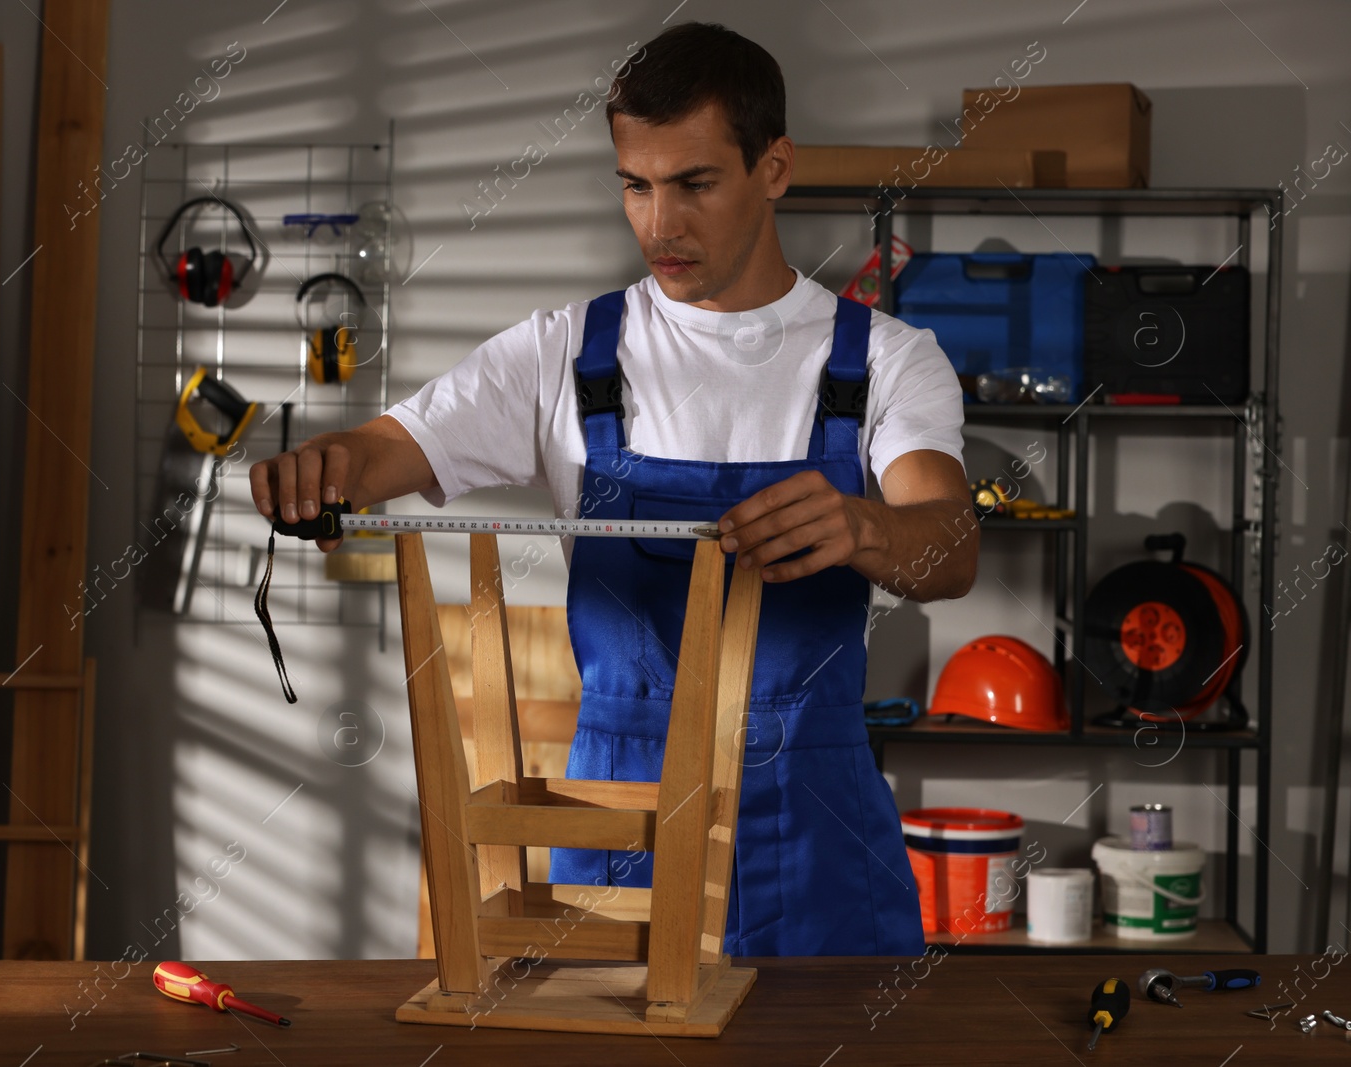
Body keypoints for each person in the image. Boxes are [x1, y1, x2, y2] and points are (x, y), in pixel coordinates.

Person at [249, 21, 978, 956]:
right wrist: (325, 468)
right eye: (635, 185)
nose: (659, 224)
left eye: (694, 184)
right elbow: (385, 450)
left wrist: (864, 526)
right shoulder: (565, 354)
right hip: (621, 826)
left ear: (776, 168)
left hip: (820, 830)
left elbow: (950, 547)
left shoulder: (884, 359)